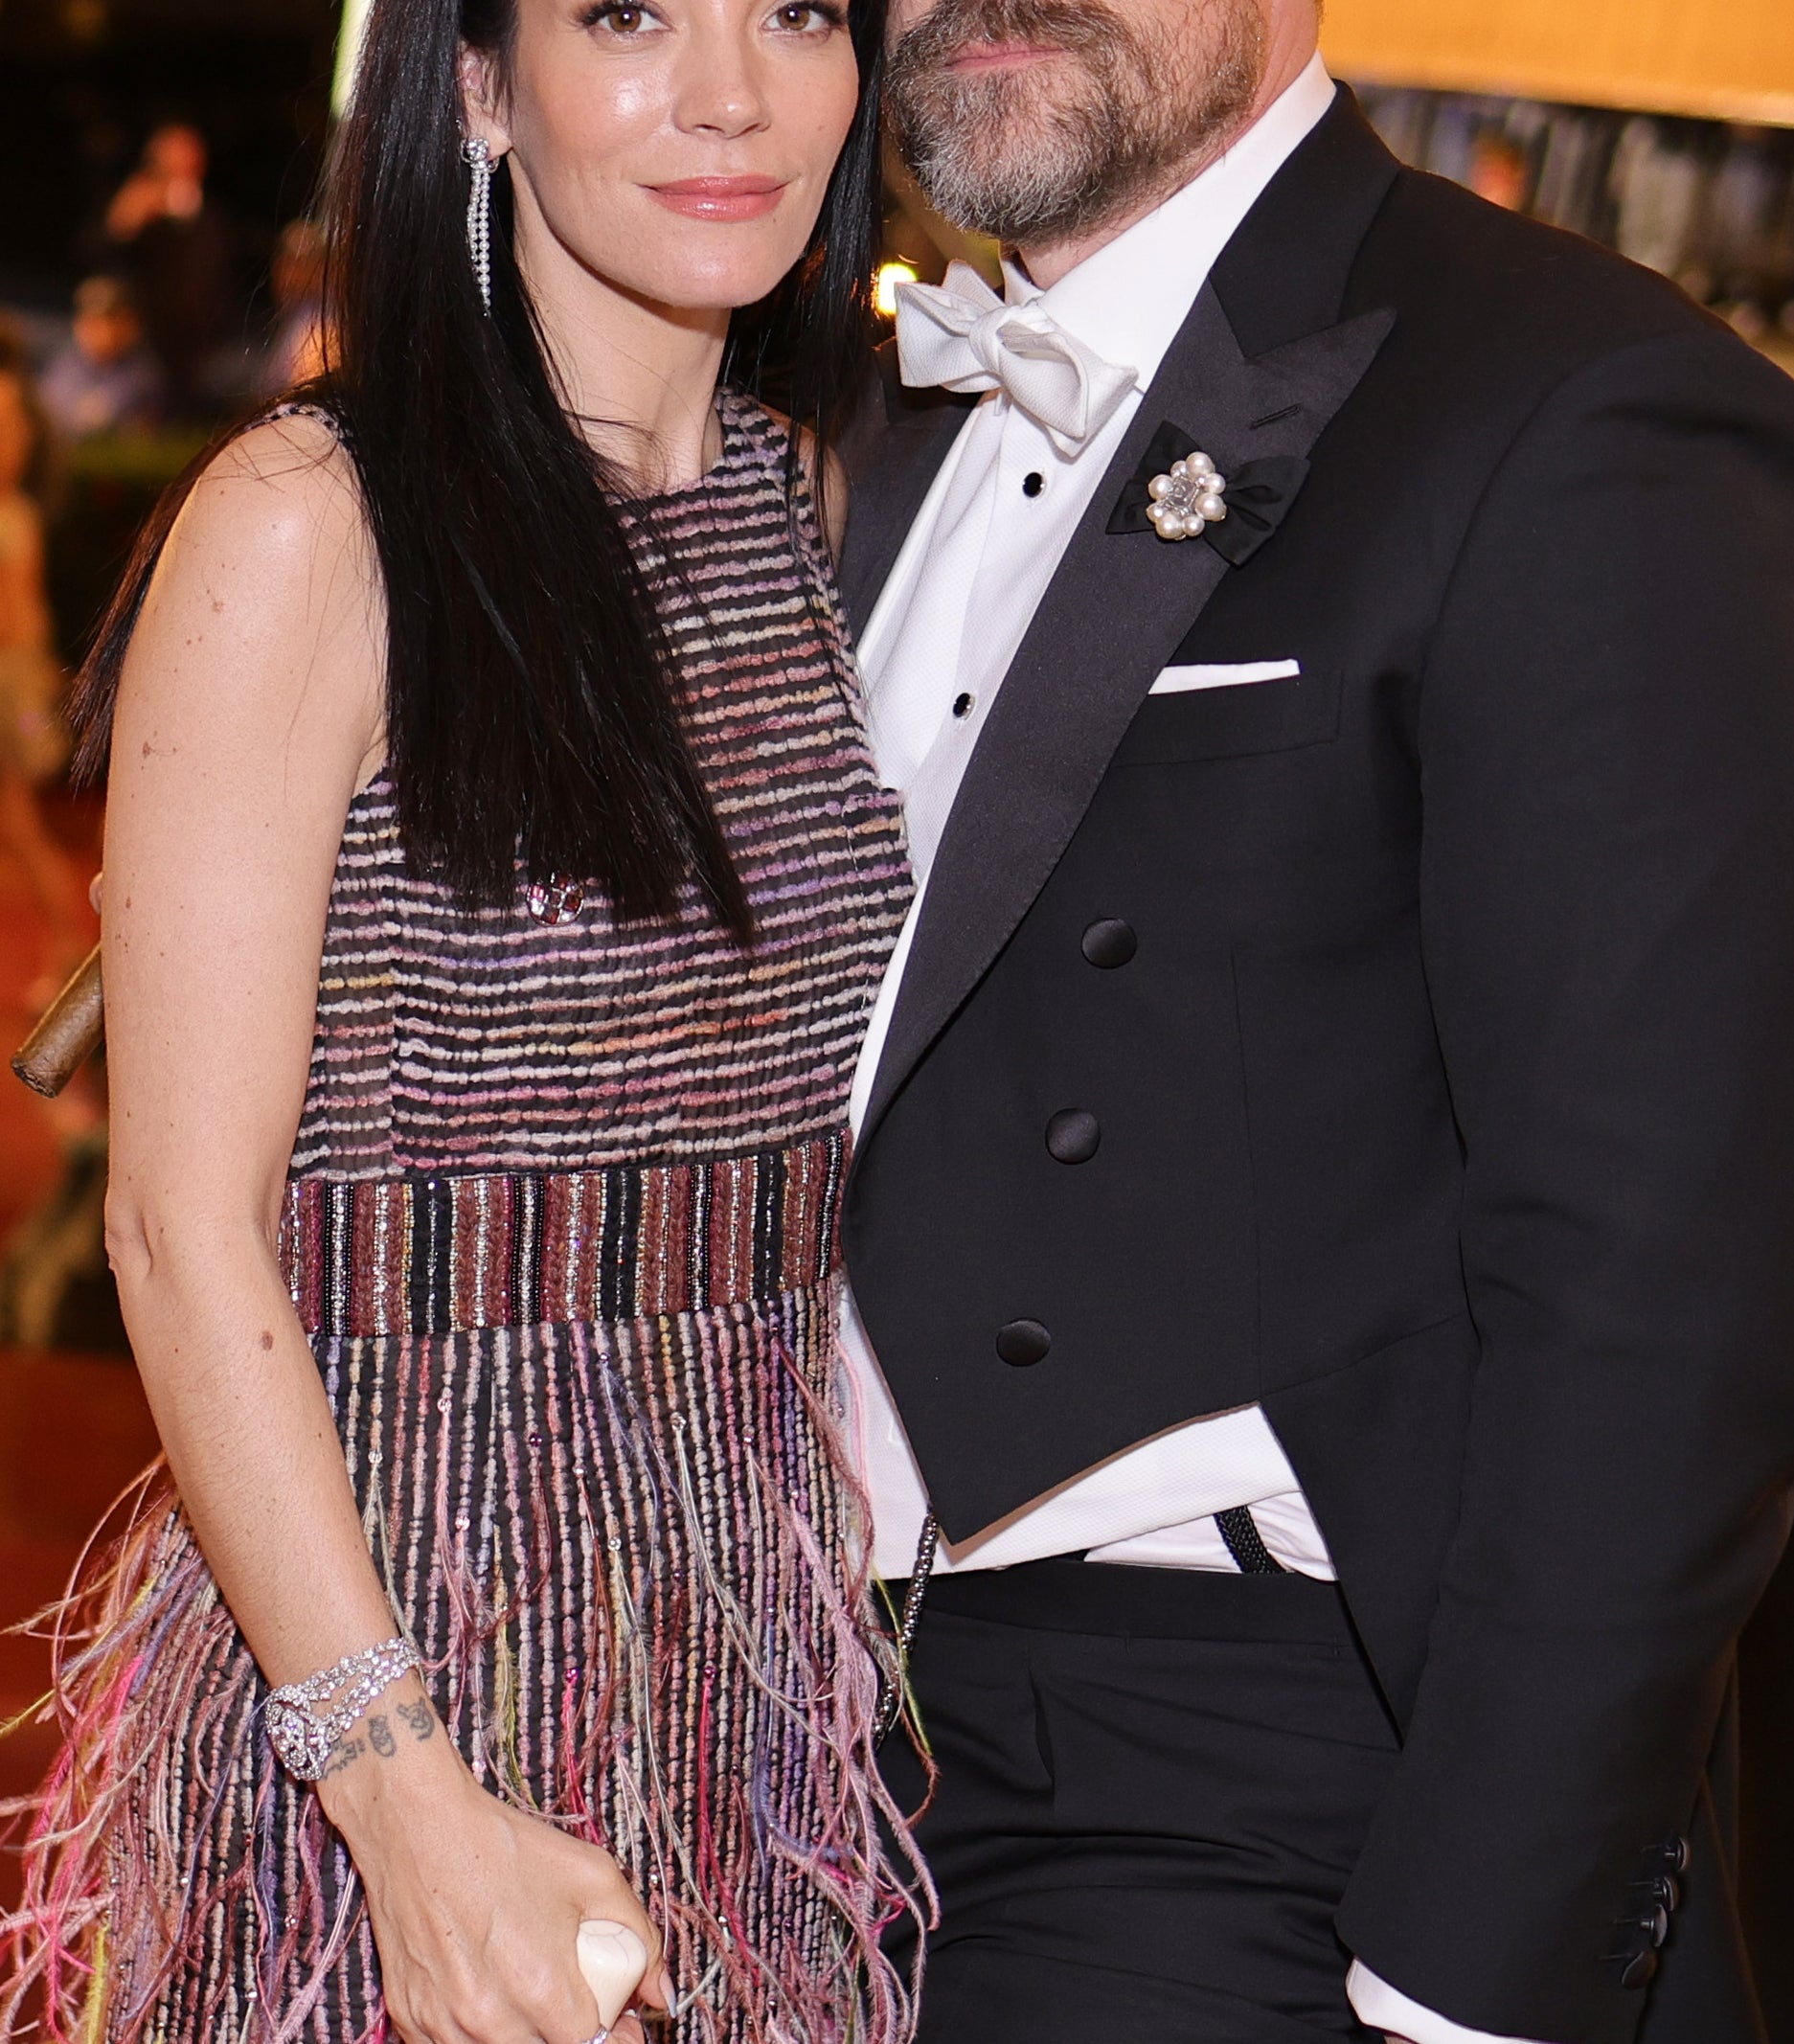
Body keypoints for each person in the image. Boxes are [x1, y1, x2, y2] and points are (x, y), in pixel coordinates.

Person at [833, 0, 1794, 2040]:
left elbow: (1673, 1270)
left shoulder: (1575, 403)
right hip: (792, 1749)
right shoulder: (851, 429)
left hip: (1236, 1779)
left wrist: (1470, 1965)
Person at [4, 0, 924, 2038]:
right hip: (406, 1604)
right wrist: (396, 1787)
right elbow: (176, 1223)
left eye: (794, 13)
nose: (729, 94)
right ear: (482, 85)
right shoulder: (310, 525)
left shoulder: (807, 508)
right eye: (627, 16)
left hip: (755, 1662)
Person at [0, 324, 86, 989]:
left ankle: (66, 950)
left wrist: (36, 703)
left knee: (23, 826)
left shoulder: (11, 522)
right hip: (19, 684)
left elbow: (21, 627)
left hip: (13, 690)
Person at [39, 276, 167, 440]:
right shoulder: (64, 365)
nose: (97, 329)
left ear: (130, 324)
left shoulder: (144, 378)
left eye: (109, 319)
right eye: (90, 319)